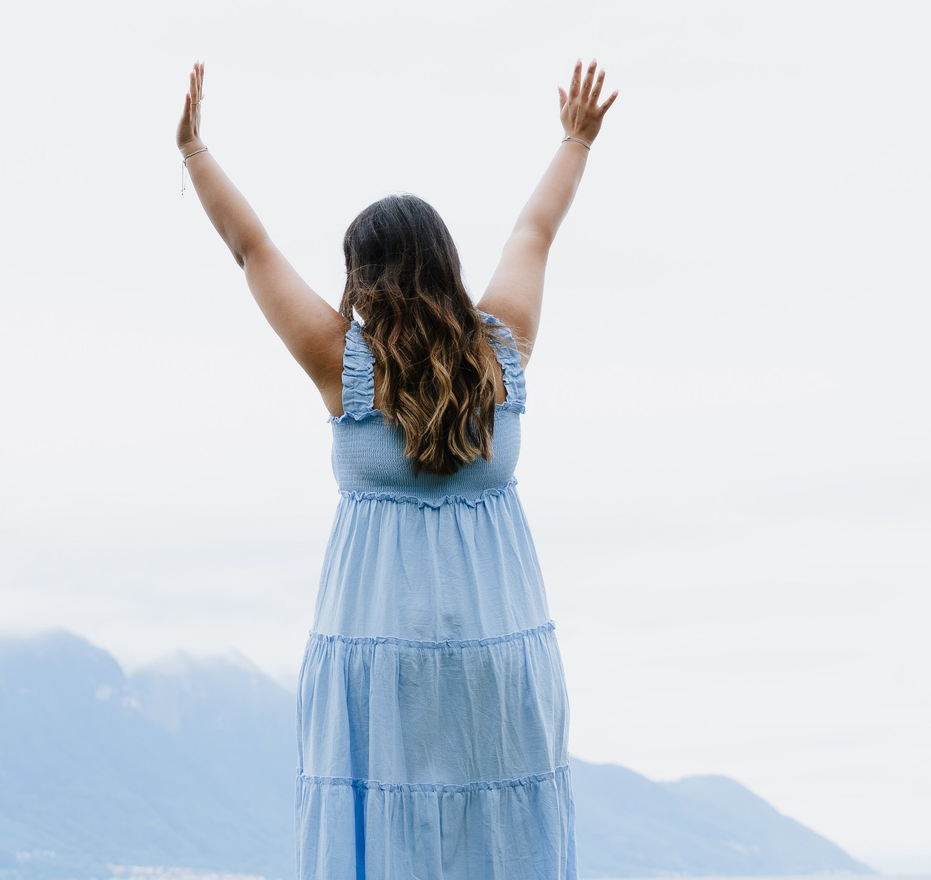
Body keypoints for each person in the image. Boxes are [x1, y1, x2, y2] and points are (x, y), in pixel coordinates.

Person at [175, 60, 617, 880]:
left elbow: (252, 248)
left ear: (363, 275)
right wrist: (574, 141)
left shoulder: (340, 362)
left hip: (378, 661)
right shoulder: (502, 348)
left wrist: (196, 153)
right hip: (498, 653)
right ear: (444, 262)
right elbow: (535, 232)